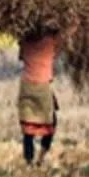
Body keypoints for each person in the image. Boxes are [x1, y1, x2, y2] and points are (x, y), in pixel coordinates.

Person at [17, 30, 59, 166]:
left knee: (27, 127)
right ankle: (41, 157)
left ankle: (29, 160)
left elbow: (21, 56)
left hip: (27, 86)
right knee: (51, 124)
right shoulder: (51, 42)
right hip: (42, 87)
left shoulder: (26, 40)